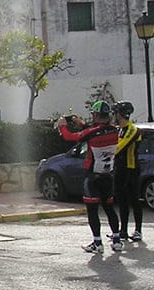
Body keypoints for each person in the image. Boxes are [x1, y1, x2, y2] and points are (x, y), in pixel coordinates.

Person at [56, 101, 122, 253]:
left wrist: (62, 125)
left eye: (93, 114)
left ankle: (97, 243)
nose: (92, 117)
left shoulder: (92, 132)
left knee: (92, 210)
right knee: (109, 208)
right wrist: (82, 124)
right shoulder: (114, 130)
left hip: (93, 175)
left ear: (97, 115)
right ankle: (117, 240)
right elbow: (96, 131)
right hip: (108, 174)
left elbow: (69, 137)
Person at [113, 101, 144, 242]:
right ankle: (123, 230)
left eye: (115, 113)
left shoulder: (132, 129)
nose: (114, 115)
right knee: (122, 200)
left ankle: (138, 230)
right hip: (120, 168)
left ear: (120, 114)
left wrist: (107, 152)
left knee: (134, 199)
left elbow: (120, 147)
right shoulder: (119, 129)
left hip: (130, 168)